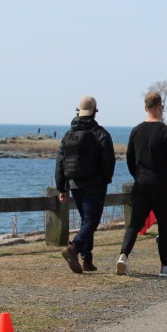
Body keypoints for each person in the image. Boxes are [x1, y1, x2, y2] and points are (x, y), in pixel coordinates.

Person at [116, 91, 167, 277]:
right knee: (163, 224)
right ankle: (165, 265)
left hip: (141, 183)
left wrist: (138, 175)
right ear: (160, 107)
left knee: (134, 224)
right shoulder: (166, 131)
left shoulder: (136, 130)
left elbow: (130, 158)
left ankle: (123, 256)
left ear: (145, 107)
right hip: (160, 183)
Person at [56, 96, 116, 274]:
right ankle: (74, 248)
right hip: (95, 183)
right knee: (91, 221)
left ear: (79, 111)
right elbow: (109, 160)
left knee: (86, 221)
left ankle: (87, 260)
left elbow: (60, 161)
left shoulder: (68, 135)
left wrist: (62, 187)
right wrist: (106, 179)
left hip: (75, 183)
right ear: (95, 112)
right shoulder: (101, 134)